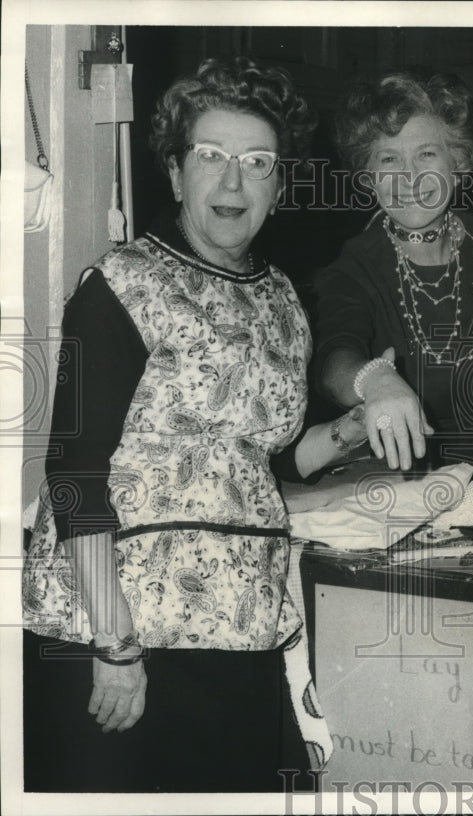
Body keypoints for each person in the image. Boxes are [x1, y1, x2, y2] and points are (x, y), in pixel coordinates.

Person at [21, 57, 363, 793]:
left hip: (243, 628)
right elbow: (74, 474)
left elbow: (256, 465)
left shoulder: (280, 300)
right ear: (176, 175)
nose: (233, 182)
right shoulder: (121, 286)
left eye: (257, 162)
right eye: (211, 157)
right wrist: (116, 646)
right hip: (123, 637)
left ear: (279, 184)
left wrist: (354, 428)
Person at [313, 70, 473, 484]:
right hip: (406, 481)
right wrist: (373, 380)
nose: (409, 178)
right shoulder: (354, 265)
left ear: (458, 161)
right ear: (368, 175)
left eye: (426, 154)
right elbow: (333, 358)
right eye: (389, 159)